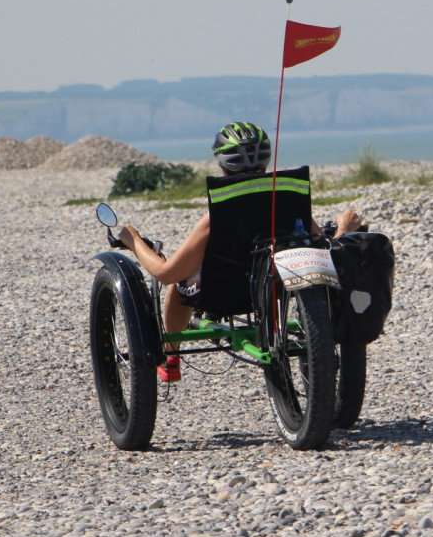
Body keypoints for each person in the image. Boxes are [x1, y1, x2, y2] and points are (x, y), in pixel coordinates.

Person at [112, 121, 363, 382]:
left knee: (181, 283)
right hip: (278, 290)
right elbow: (322, 252)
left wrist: (134, 241)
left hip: (222, 293)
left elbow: (166, 273)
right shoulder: (289, 201)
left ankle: (171, 355)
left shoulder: (216, 216)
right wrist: (343, 228)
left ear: (222, 163)